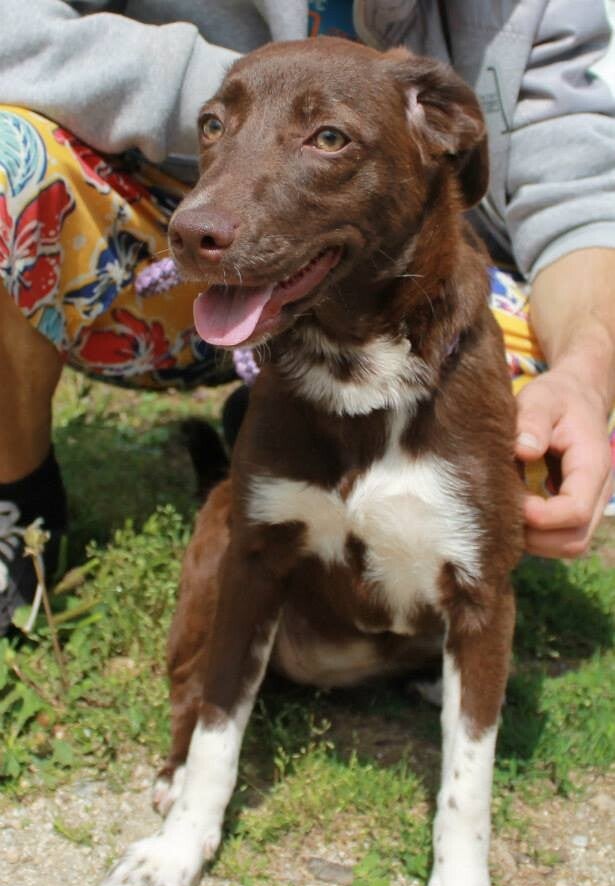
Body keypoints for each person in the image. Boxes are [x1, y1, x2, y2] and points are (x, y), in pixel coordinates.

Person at [1, 0, 614, 634]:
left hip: (392, 292)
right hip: (161, 238)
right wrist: (248, 97)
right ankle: (15, 503)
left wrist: (585, 378)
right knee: (5, 159)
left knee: (517, 433)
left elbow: (577, 198)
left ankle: (302, 438)